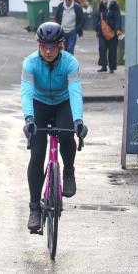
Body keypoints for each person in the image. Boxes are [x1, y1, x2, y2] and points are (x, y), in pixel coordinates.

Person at [22, 21, 88, 232]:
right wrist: (29, 119)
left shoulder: (70, 63)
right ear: (38, 45)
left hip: (63, 103)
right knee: (37, 153)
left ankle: (68, 170)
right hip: (40, 104)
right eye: (44, 46)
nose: (48, 51)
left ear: (61, 45)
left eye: (53, 46)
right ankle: (34, 208)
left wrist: (78, 120)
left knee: (68, 137)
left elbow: (76, 92)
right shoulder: (30, 63)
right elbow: (26, 93)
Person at [96, 0, 122, 73]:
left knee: (112, 50)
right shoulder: (101, 5)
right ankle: (103, 66)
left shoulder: (115, 6)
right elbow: (98, 17)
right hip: (102, 31)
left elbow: (118, 18)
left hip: (112, 32)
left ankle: (112, 67)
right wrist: (97, 29)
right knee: (102, 48)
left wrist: (118, 29)